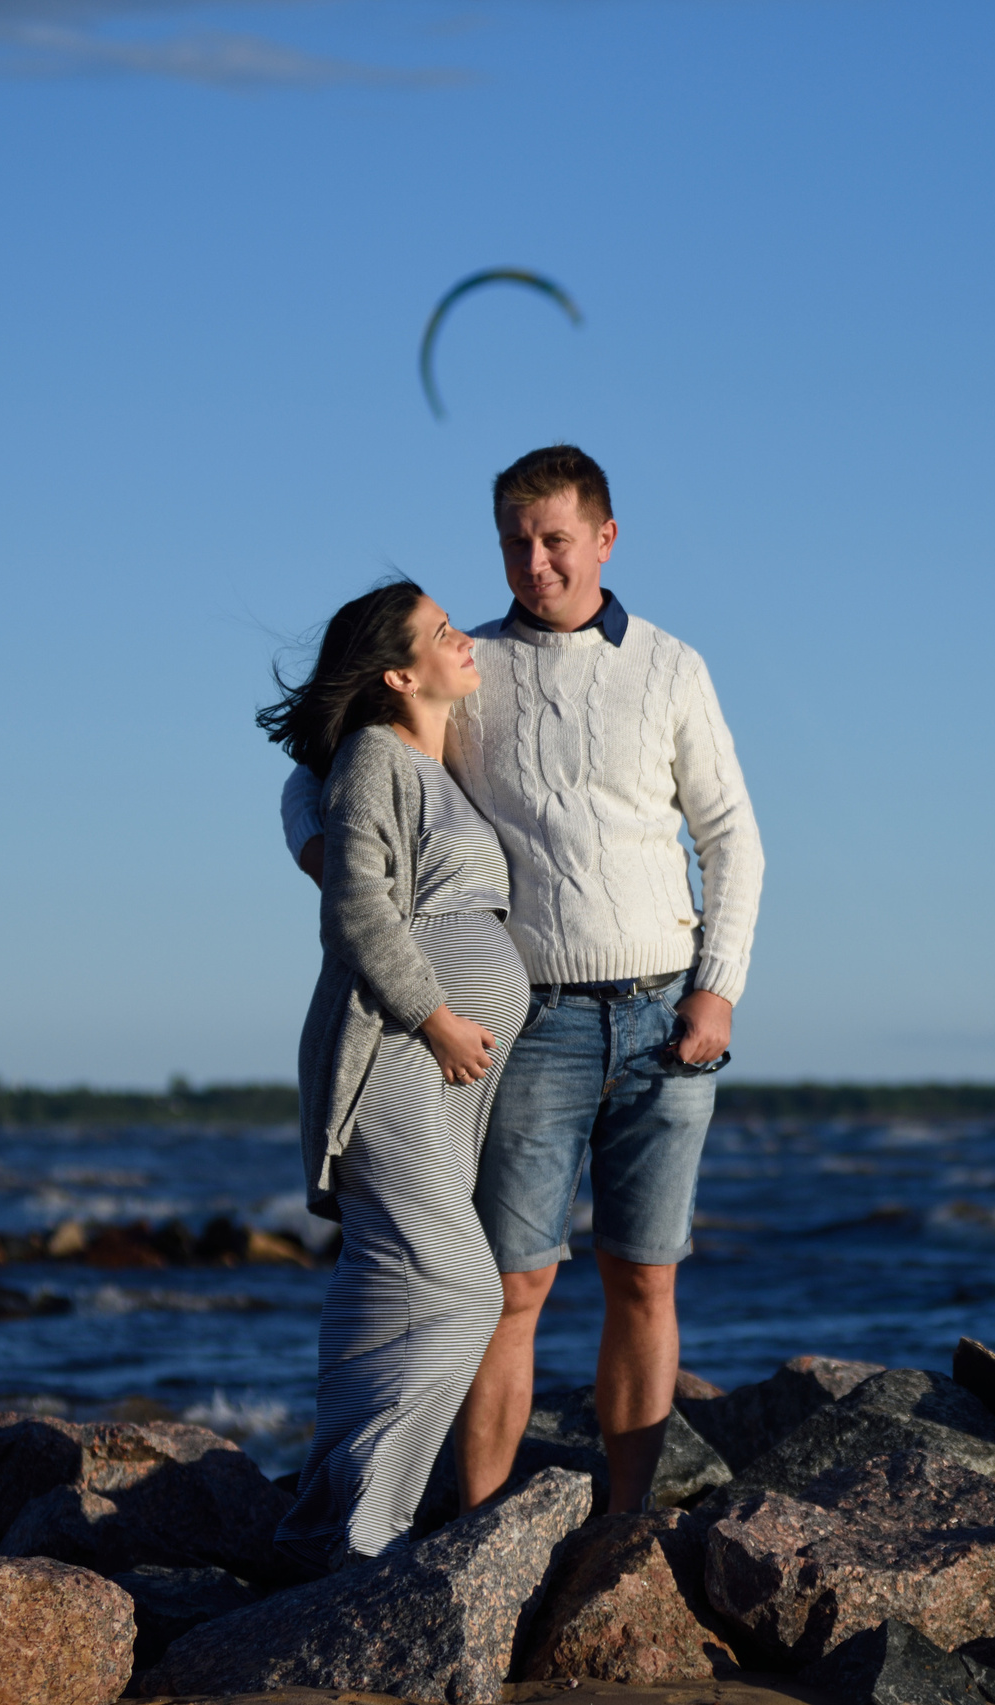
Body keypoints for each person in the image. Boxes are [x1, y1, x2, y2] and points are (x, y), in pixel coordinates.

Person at [283, 444, 763, 1515]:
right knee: (513, 1286)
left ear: (604, 536)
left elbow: (732, 835)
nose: (534, 562)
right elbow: (324, 768)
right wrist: (329, 861)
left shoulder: (672, 666)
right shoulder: (470, 666)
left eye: (554, 539)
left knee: (644, 1278)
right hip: (530, 1027)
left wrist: (717, 985)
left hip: (665, 1017)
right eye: (515, 541)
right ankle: (477, 1534)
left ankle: (627, 1534)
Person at [258, 578, 526, 1567]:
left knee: (383, 1286)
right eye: (443, 633)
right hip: (402, 1055)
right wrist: (441, 1018)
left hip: (443, 1074)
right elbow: (358, 910)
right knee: (460, 1290)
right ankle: (372, 1530)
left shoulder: (433, 760)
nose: (466, 642)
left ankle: (327, 1520)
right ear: (398, 673)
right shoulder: (378, 755)